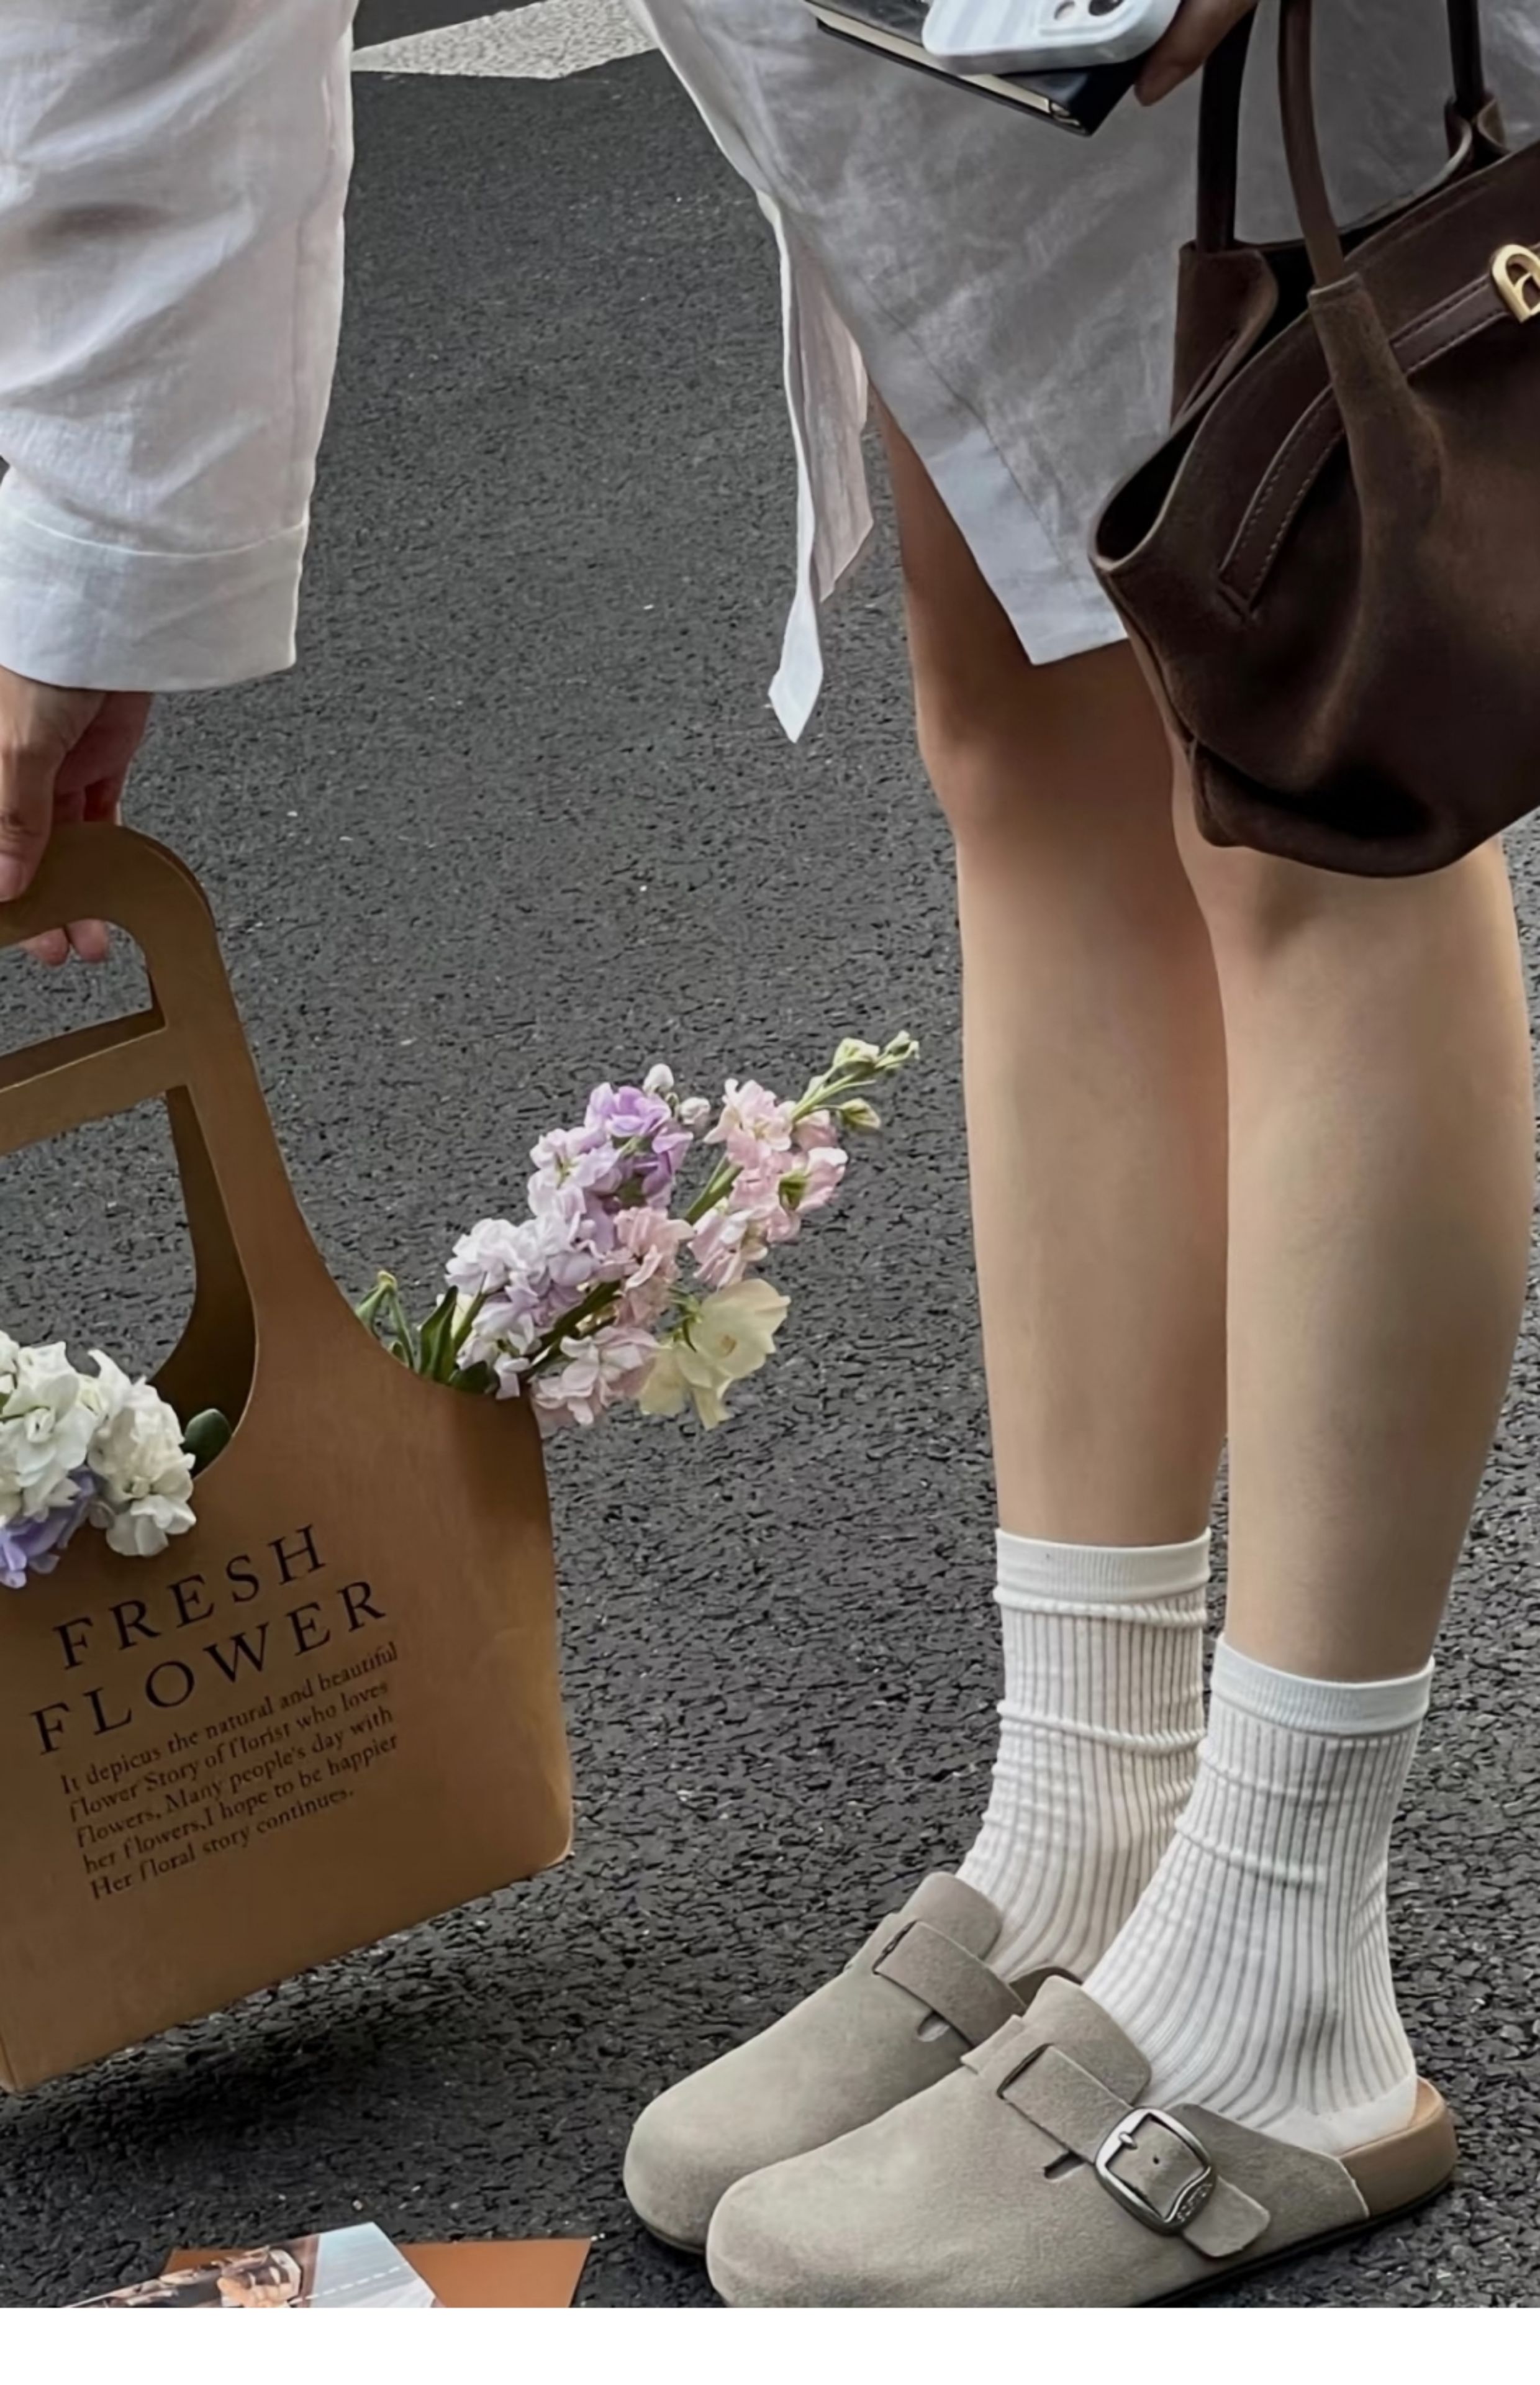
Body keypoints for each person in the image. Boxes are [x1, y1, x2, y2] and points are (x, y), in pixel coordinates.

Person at [0, 0, 1534, 2307]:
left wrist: (95, 528)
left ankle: (1284, 1974)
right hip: (884, 42)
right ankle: (1092, 1819)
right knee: (1021, 725)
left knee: (1315, 772)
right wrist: (92, 539)